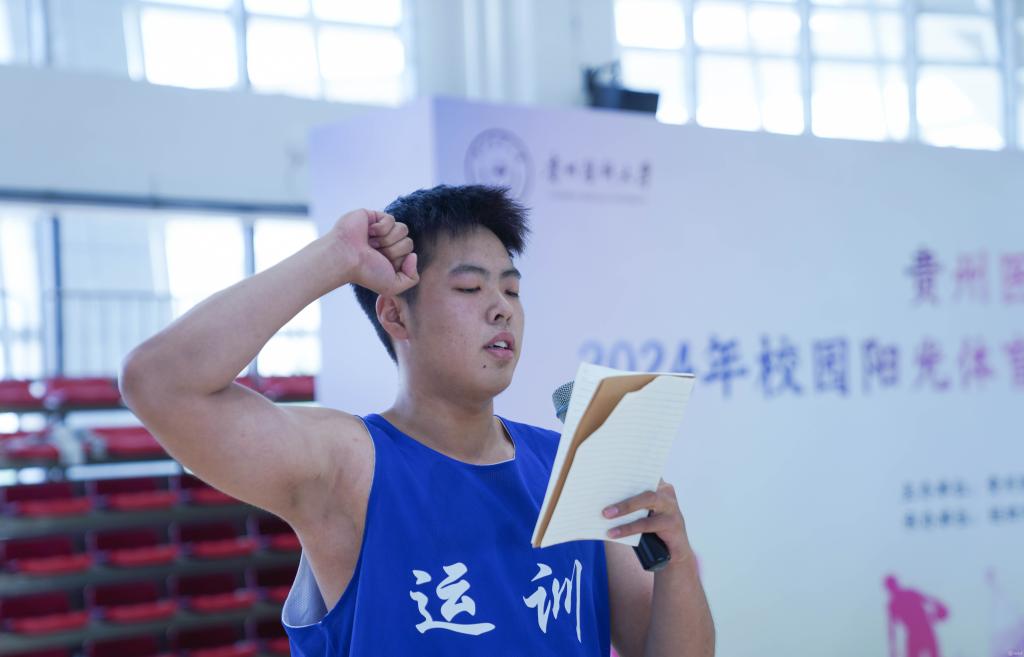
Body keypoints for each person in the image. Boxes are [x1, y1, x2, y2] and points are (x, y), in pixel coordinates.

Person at [120, 184, 715, 656]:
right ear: (396, 316)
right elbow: (159, 383)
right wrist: (334, 258)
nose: (501, 309)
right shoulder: (348, 465)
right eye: (470, 288)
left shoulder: (566, 463)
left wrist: (677, 559)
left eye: (511, 291)